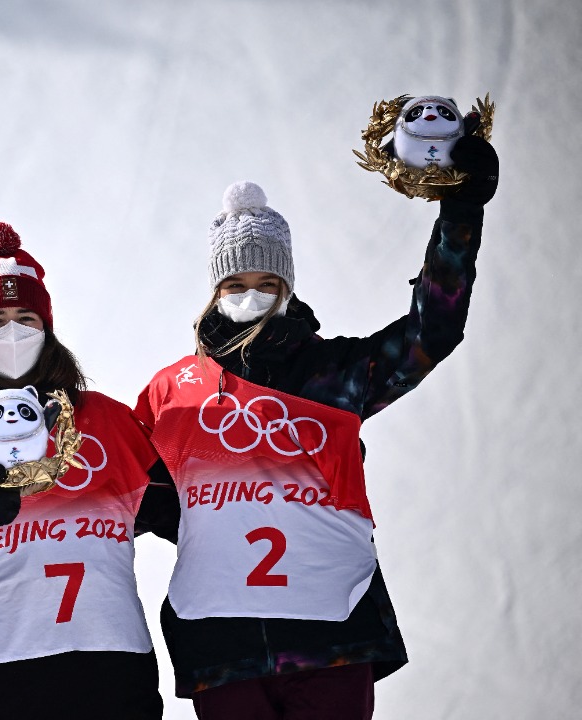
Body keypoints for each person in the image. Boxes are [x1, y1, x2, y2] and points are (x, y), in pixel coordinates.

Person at [134, 135, 499, 719]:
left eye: (266, 283)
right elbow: (126, 498)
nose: (250, 295)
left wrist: (462, 211)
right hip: (223, 647)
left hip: (332, 639)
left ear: (288, 287)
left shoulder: (335, 374)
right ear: (215, 290)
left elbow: (432, 333)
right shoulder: (173, 395)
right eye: (235, 284)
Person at [0, 221, 174, 720]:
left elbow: (190, 514)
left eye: (26, 317)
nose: (12, 331)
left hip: (112, 674)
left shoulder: (105, 418)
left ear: (48, 329)